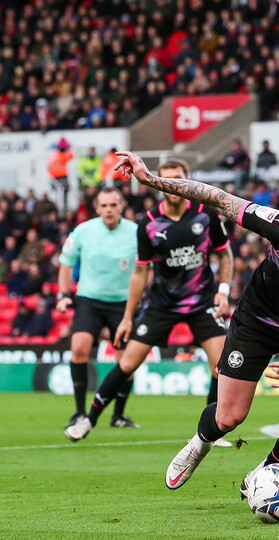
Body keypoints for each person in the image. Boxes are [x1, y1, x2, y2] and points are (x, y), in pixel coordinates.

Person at [111, 150, 279, 494]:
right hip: (255, 322)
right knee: (229, 418)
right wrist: (152, 180)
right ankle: (200, 443)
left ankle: (265, 476)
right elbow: (217, 197)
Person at [65, 159, 235, 445]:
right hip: (162, 304)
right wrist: (128, 317)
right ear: (159, 184)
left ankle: (210, 433)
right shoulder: (148, 223)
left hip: (201, 301)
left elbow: (225, 254)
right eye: (167, 179)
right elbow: (140, 270)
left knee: (220, 366)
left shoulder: (206, 213)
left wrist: (224, 289)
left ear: (187, 179)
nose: (173, 185)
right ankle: (89, 420)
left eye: (178, 178)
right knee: (127, 364)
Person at [56, 187, 139, 429]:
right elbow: (65, 263)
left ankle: (119, 416)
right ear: (97, 208)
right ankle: (80, 412)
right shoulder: (83, 231)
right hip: (89, 300)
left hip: (123, 304)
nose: (108, 210)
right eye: (103, 206)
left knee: (127, 362)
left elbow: (146, 269)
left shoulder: (135, 232)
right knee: (79, 348)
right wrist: (63, 294)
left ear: (121, 206)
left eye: (113, 205)